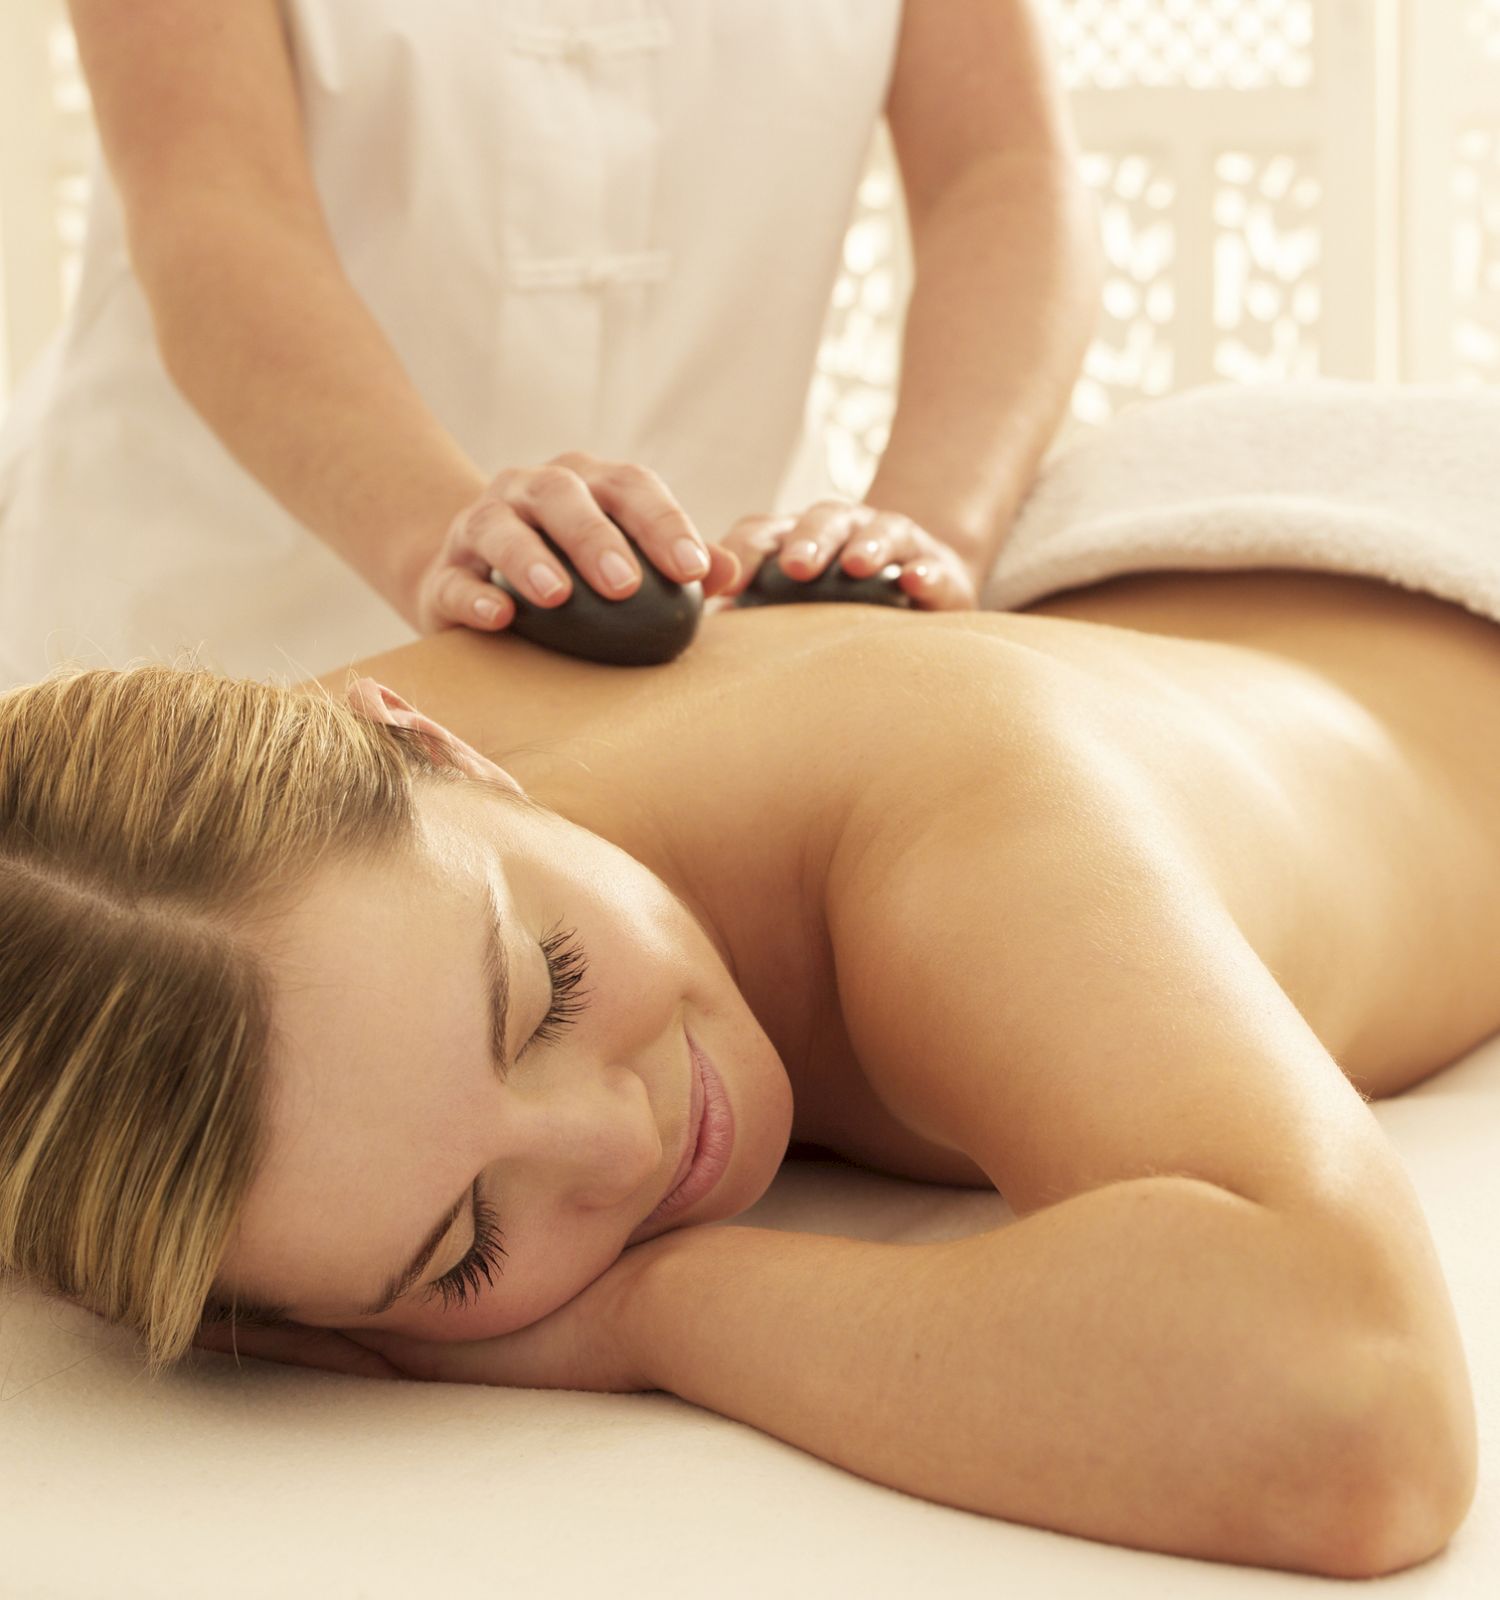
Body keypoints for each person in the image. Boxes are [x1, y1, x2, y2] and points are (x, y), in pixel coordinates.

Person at [0, 552, 1486, 1578]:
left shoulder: (962, 838)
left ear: (430, 741)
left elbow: (1358, 1412)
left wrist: (651, 1318)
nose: (618, 1145)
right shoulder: (168, 877)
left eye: (545, 994)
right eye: (465, 1247)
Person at [0, 0, 1103, 686]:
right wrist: (451, 541)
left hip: (708, 664)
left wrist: (919, 537)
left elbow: (1000, 175)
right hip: (216, 642)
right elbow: (217, 203)